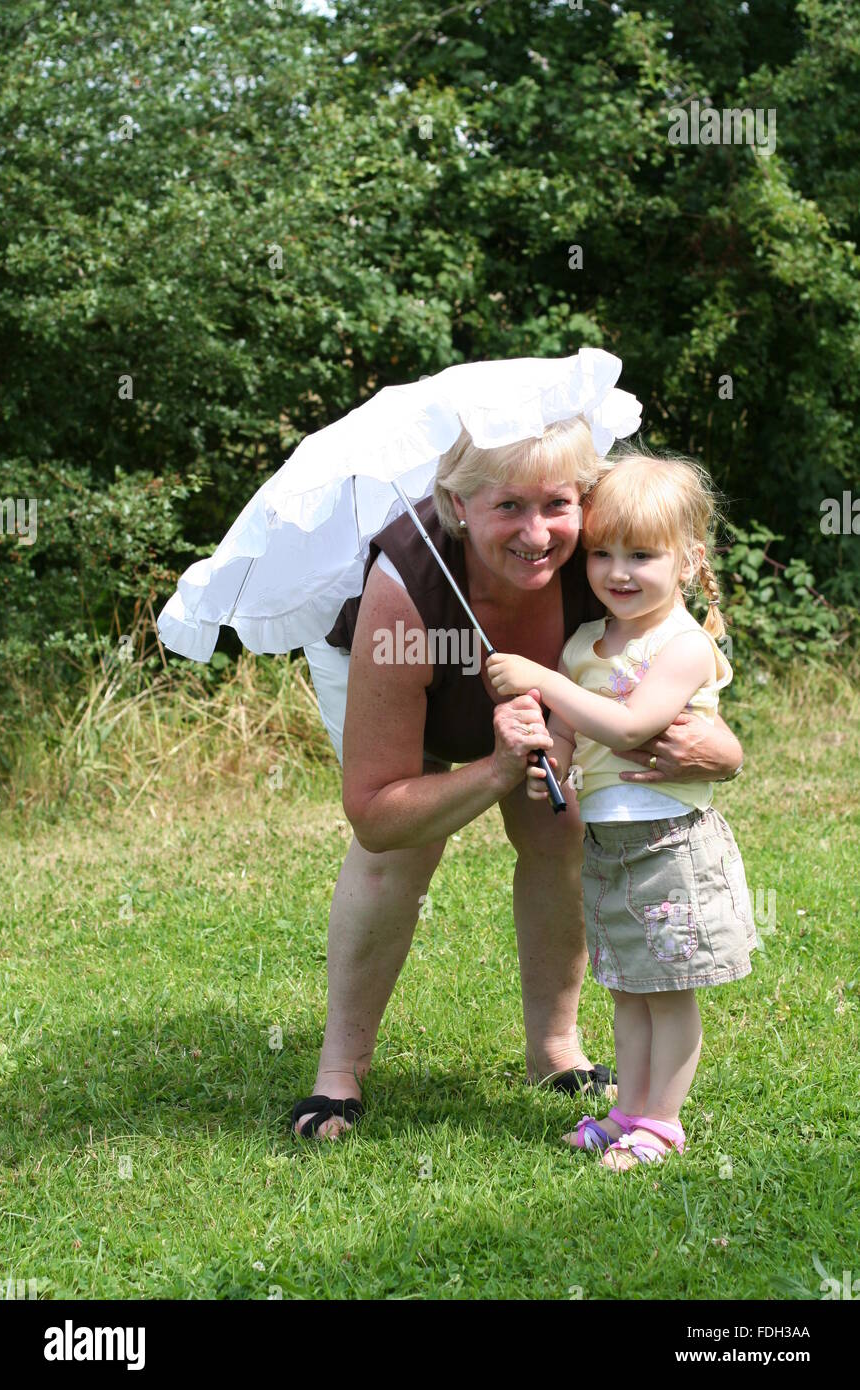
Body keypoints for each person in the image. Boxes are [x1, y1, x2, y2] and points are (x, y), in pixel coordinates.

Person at [293, 421, 745, 1139]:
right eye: (508, 507)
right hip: (414, 680)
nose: (537, 534)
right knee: (405, 848)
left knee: (559, 823)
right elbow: (376, 815)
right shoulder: (402, 590)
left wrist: (721, 748)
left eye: (557, 505)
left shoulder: (601, 554)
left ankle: (554, 1048)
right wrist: (498, 767)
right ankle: (340, 1071)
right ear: (457, 504)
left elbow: (671, 665)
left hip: (542, 707)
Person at [486, 449, 756, 1169]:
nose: (619, 572)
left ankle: (662, 1124)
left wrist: (541, 677)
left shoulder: (685, 646)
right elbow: (574, 736)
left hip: (672, 845)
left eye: (642, 554)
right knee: (630, 989)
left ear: (689, 560)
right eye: (602, 553)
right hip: (609, 846)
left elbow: (633, 726)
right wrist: (555, 771)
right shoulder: (583, 646)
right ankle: (629, 1109)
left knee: (668, 993)